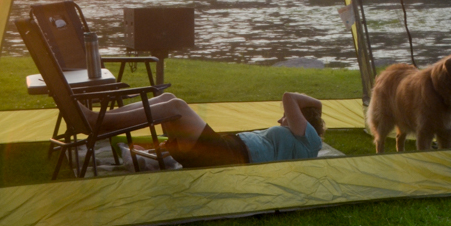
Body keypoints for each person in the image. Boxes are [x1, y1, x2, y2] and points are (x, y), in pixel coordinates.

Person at [85, 91, 325, 168]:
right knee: (169, 99)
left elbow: (289, 97)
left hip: (229, 155)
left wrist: (316, 104)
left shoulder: (309, 140)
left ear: (303, 120)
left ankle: (100, 123)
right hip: (225, 149)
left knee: (176, 106)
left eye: (286, 117)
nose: (281, 119)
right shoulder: (301, 140)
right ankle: (100, 119)